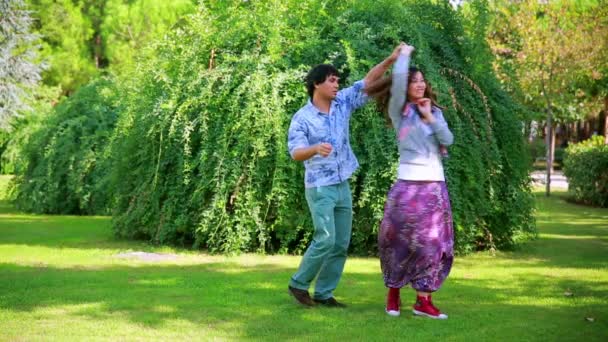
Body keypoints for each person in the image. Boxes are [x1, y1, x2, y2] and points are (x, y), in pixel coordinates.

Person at [287, 43, 407, 308]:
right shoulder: (302, 118)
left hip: (342, 183)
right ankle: (298, 284)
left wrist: (391, 58)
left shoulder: (342, 103)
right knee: (325, 238)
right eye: (332, 80)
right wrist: (315, 148)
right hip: (320, 186)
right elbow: (295, 152)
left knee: (340, 243)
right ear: (317, 84)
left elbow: (367, 82)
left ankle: (324, 294)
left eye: (338, 81)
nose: (336, 85)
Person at [366, 44, 454, 319]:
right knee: (396, 240)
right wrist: (403, 56)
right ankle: (393, 292)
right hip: (407, 186)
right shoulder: (399, 111)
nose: (418, 84)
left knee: (433, 243)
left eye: (422, 80)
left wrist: (429, 116)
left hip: (434, 187)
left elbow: (448, 140)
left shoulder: (435, 112)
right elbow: (400, 79)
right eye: (413, 81)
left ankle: (423, 300)